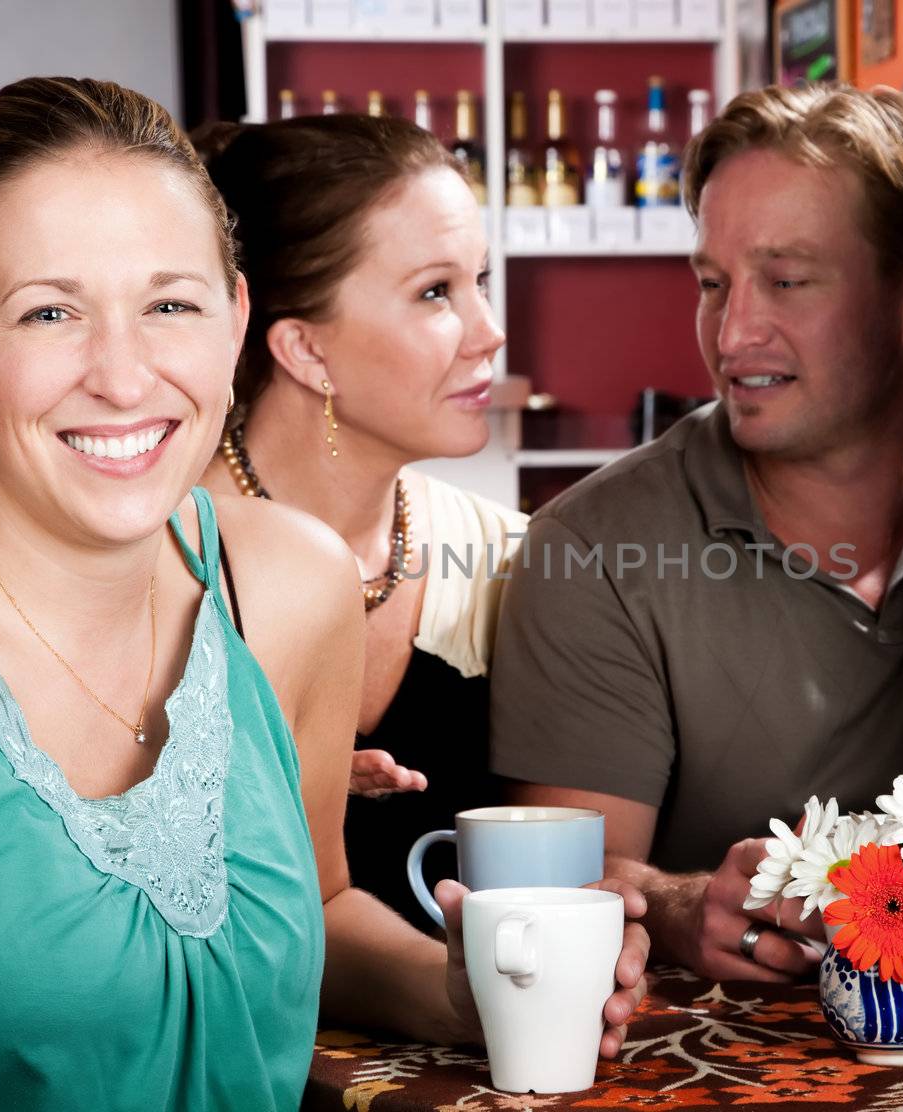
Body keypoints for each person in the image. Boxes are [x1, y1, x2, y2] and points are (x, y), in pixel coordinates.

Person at [0, 76, 644, 1110]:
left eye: (170, 304)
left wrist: (465, 987)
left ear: (237, 320)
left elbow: (320, 903)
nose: (123, 377)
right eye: (49, 312)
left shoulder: (295, 585)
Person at [489, 82, 903, 982]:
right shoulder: (592, 547)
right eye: (713, 283)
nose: (733, 330)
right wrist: (683, 911)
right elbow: (559, 892)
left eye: (786, 281)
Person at [194, 116, 526, 933]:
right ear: (305, 350)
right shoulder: (154, 556)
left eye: (480, 281)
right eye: (436, 292)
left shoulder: (513, 559)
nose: (490, 333)